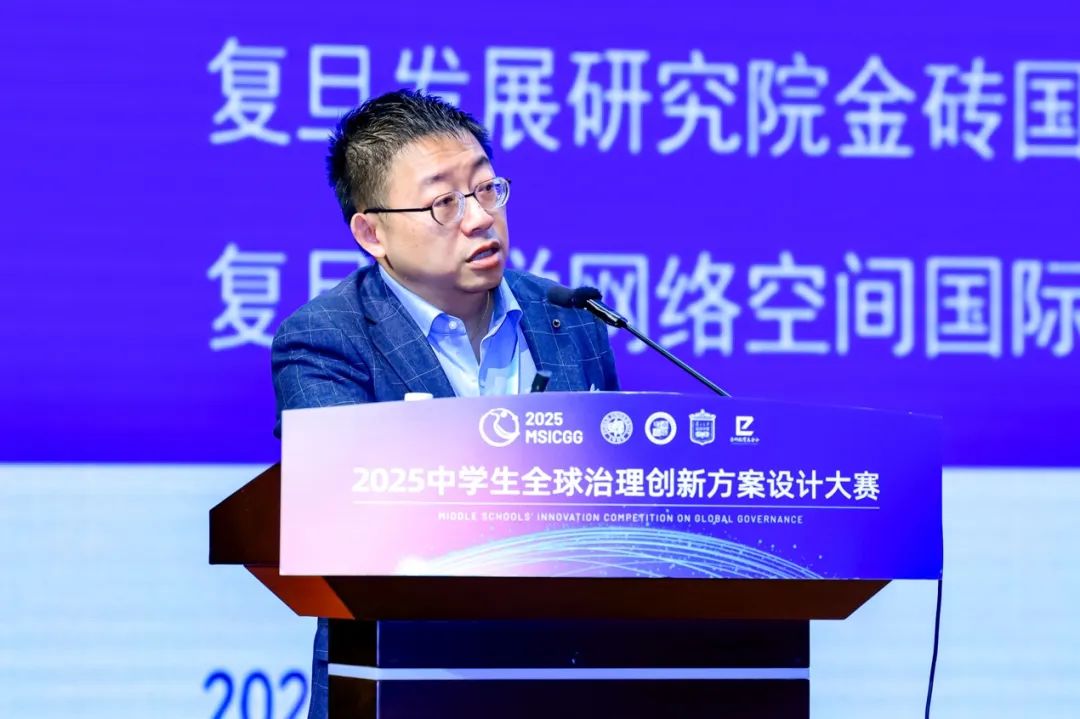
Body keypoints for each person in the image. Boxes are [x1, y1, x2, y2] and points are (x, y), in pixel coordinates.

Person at [270, 89, 620, 718]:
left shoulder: (571, 318)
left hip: (569, 681)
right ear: (372, 232)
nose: (480, 218)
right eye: (444, 203)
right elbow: (342, 521)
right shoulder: (325, 339)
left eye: (487, 189)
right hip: (402, 682)